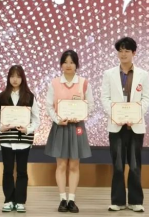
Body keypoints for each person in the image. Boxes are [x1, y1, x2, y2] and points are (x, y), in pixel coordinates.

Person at [101, 37, 149, 213]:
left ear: (134, 53)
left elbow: (146, 98)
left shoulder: (143, 74)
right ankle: (118, 201)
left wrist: (134, 115)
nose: (123, 54)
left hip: (135, 126)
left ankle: (136, 201)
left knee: (135, 164)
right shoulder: (108, 74)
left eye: (127, 51)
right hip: (116, 125)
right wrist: (116, 115)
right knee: (117, 164)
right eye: (120, 51)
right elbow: (105, 98)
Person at [44, 50, 94, 214]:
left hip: (77, 127)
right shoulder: (54, 83)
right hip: (60, 126)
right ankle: (62, 199)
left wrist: (80, 116)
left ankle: (71, 200)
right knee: (61, 165)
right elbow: (49, 105)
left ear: (76, 64)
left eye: (72, 62)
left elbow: (90, 105)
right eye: (65, 62)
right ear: (61, 64)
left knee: (74, 165)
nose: (68, 65)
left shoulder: (84, 83)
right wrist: (58, 119)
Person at [0, 65, 40, 213]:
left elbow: (36, 119)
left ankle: (20, 201)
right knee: (7, 171)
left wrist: (28, 129)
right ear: (8, 78)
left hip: (23, 141)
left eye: (18, 76)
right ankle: (8, 199)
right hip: (6, 140)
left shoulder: (30, 97)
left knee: (22, 171)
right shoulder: (1, 97)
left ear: (22, 78)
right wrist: (0, 128)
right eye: (12, 76)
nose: (15, 79)